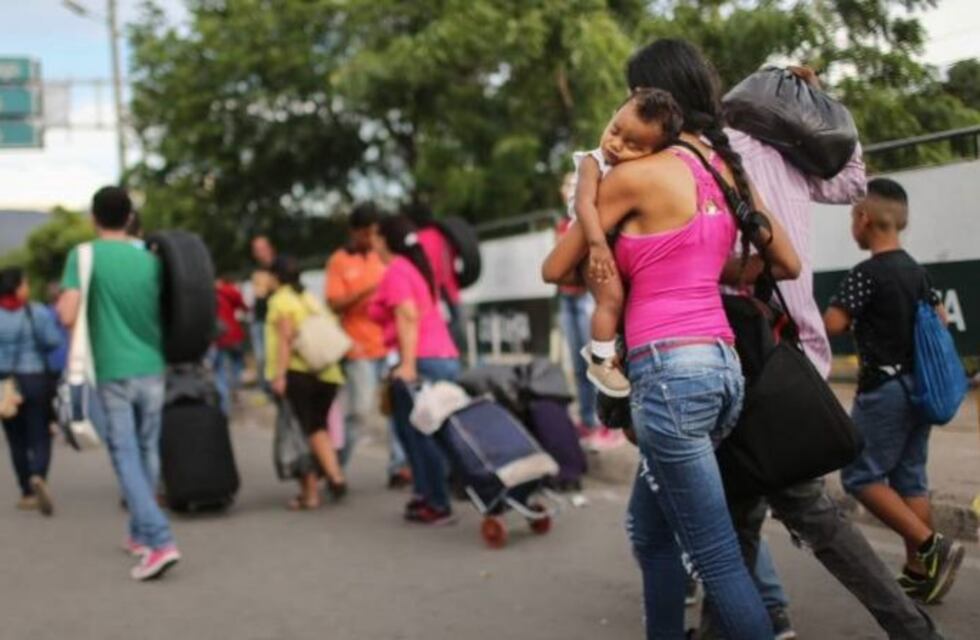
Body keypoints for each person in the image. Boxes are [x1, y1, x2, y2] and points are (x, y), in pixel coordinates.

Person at [543, 38, 802, 639]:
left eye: (635, 99)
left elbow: (556, 269)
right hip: (723, 371)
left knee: (713, 554)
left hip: (670, 376)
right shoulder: (722, 169)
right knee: (651, 530)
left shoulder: (634, 178)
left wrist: (601, 228)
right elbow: (780, 262)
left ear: (661, 105)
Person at [685, 61, 946, 638]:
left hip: (742, 351)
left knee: (800, 508)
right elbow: (853, 179)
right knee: (745, 508)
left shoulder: (697, 157)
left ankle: (912, 628)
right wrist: (819, 104)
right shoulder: (786, 154)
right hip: (789, 349)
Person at [825, 178, 965, 605]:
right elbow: (940, 319)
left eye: (853, 216)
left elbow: (833, 323)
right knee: (909, 479)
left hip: (883, 389)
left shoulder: (866, 274)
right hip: (919, 389)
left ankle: (930, 544)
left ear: (864, 220)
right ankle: (921, 575)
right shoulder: (918, 272)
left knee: (860, 475)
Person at [58, 186, 180, 581]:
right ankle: (138, 533)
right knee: (147, 448)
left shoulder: (84, 255)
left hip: (112, 369)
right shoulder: (151, 258)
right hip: (153, 365)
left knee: (125, 453)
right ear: (130, 218)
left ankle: (160, 540)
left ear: (94, 217)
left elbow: (67, 314)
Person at [566, 88, 683, 399]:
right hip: (592, 242)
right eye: (615, 130)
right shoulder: (594, 162)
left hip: (608, 242)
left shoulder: (639, 171)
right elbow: (584, 205)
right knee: (611, 299)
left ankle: (608, 348)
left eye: (633, 145)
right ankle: (600, 361)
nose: (616, 145)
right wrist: (596, 244)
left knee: (625, 302)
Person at [369, 214, 461, 526]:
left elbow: (407, 315)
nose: (371, 242)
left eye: (375, 236)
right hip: (441, 355)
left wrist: (407, 364)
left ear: (383, 240)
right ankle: (426, 495)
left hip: (422, 359)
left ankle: (437, 502)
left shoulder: (396, 270)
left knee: (421, 434)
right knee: (419, 431)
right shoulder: (414, 269)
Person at [326, 202, 410, 486]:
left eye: (376, 233)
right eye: (367, 233)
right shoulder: (339, 260)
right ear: (354, 232)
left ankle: (398, 466)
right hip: (358, 349)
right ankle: (334, 467)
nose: (372, 239)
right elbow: (334, 303)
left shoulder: (384, 256)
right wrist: (368, 291)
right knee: (360, 412)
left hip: (388, 346)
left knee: (398, 408)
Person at [267, 257, 347, 510]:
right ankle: (335, 475)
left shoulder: (281, 300)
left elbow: (285, 339)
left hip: (300, 373)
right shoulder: (310, 299)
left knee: (298, 434)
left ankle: (311, 492)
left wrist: (279, 376)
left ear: (276, 277)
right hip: (328, 373)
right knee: (317, 427)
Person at [0, 267, 62, 516]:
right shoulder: (36, 312)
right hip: (35, 378)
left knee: (15, 439)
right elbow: (53, 341)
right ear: (17, 287)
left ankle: (26, 492)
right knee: (40, 433)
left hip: (4, 383)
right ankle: (38, 475)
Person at [554, 175, 604, 446]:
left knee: (595, 363)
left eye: (576, 184)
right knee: (576, 365)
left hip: (588, 298)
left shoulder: (593, 219)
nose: (570, 190)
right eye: (567, 186)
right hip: (567, 298)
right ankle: (587, 421)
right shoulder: (562, 224)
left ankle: (604, 420)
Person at [405, 202, 465, 352]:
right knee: (455, 339)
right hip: (453, 295)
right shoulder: (445, 236)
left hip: (433, 299)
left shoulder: (418, 239)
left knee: (438, 341)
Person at [212, 274, 248, 416]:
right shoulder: (232, 291)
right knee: (237, 364)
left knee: (221, 371)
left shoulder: (210, 294)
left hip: (220, 337)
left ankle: (224, 407)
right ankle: (236, 388)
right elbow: (243, 306)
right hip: (235, 334)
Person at [250, 235, 281, 392]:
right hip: (260, 319)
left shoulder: (279, 266)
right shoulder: (257, 271)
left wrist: (271, 284)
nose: (259, 252)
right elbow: (258, 295)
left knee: (275, 357)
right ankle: (268, 391)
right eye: (256, 250)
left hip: (276, 320)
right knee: (261, 358)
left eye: (261, 248)